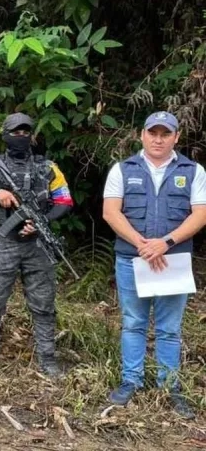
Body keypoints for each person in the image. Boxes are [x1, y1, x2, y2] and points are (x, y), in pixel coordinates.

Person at [102, 111, 206, 419]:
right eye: (153, 133)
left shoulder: (193, 170)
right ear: (142, 135)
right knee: (133, 322)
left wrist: (165, 243)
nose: (158, 139)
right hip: (132, 259)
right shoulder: (123, 169)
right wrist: (142, 244)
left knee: (169, 329)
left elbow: (200, 214)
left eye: (165, 134)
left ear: (176, 137)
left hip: (172, 261)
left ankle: (170, 387)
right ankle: (130, 380)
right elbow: (111, 212)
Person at [0, 112, 73, 379]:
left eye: (26, 132)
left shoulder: (48, 168)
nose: (21, 137)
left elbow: (64, 202)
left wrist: (41, 223)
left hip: (36, 244)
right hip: (3, 242)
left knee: (43, 304)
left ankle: (47, 359)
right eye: (15, 133)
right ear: (4, 135)